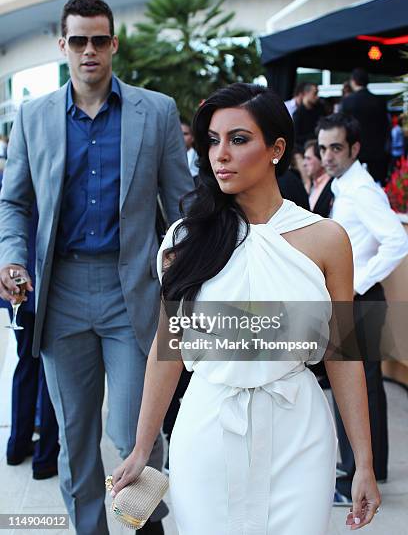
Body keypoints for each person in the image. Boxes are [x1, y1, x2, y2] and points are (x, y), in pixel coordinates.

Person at [112, 83, 381, 534]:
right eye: (213, 140)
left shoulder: (327, 239)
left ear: (277, 148)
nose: (221, 154)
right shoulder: (186, 238)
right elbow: (169, 346)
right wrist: (142, 448)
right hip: (207, 427)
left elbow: (344, 354)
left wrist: (365, 464)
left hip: (300, 433)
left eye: (238, 139)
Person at [0, 0, 193, 535]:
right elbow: (14, 202)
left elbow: (182, 202)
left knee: (136, 431)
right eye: (78, 40)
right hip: (60, 291)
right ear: (63, 45)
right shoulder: (33, 115)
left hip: (131, 286)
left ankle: (144, 527)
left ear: (113, 44)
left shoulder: (154, 111)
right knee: (75, 437)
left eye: (99, 40)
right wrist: (12, 257)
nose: (89, 51)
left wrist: (189, 255)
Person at [317, 112, 408, 505]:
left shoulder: (361, 190)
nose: (328, 156)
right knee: (363, 387)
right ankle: (371, 468)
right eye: (322, 148)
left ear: (354, 148)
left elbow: (396, 241)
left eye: (336, 147)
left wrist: (354, 284)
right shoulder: (345, 185)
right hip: (356, 296)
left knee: (355, 389)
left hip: (359, 297)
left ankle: (356, 474)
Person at [0, 168, 59, 480]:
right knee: (50, 369)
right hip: (44, 283)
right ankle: (46, 456)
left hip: (18, 281)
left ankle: (17, 444)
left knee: (26, 363)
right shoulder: (56, 170)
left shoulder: (16, 176)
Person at [341, 68, 390, 185]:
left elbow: (344, 129)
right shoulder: (379, 101)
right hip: (377, 153)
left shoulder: (347, 102)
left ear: (353, 81)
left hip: (356, 154)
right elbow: (386, 127)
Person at [303, 139, 333, 216]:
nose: (304, 163)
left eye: (308, 158)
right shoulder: (312, 185)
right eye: (304, 158)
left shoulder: (333, 185)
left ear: (322, 160)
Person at [292, 82, 325, 150]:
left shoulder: (320, 109)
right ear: (306, 93)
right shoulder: (297, 114)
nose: (317, 97)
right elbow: (296, 138)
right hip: (304, 149)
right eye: (315, 93)